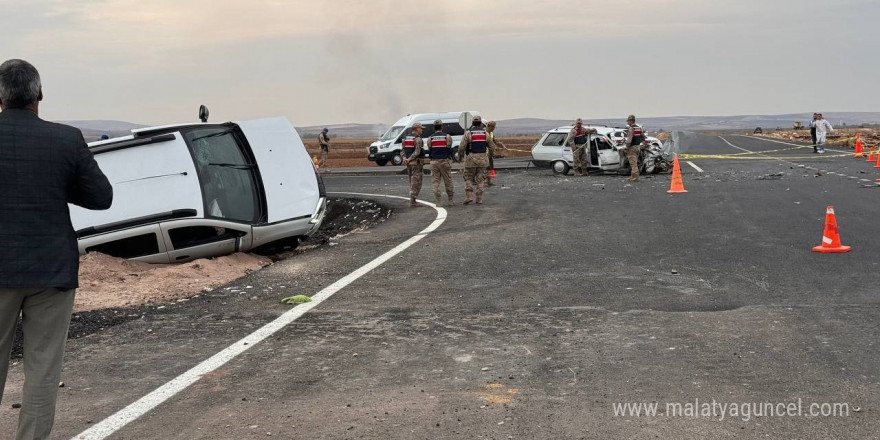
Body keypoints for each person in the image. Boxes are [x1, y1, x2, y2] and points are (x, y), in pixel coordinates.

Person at [0, 59, 113, 440]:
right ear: (39, 95)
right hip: (51, 271)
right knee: (43, 370)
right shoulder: (66, 139)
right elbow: (101, 198)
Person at [459, 115, 490, 204]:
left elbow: (461, 147)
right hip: (483, 160)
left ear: (472, 123)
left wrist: (460, 157)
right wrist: (489, 155)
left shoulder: (468, 133)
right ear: (480, 123)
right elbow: (491, 147)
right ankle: (479, 198)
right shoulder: (486, 134)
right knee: (481, 179)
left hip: (470, 159)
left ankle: (469, 196)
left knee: (468, 178)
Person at [428, 119, 454, 206]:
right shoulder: (447, 137)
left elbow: (429, 148)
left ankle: (438, 202)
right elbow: (449, 147)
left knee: (435, 182)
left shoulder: (430, 138)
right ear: (442, 126)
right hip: (444, 161)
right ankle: (450, 201)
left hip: (434, 162)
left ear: (434, 127)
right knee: (448, 181)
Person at [402, 122, 424, 207]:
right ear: (417, 129)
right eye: (421, 128)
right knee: (416, 182)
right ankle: (413, 201)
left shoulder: (406, 138)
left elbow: (403, 150)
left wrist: (404, 158)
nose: (422, 130)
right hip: (416, 163)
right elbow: (417, 152)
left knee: (411, 181)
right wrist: (409, 159)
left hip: (409, 163)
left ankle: (413, 199)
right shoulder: (417, 139)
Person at [624, 114, 645, 182]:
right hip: (637, 147)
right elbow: (643, 137)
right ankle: (632, 176)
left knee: (633, 163)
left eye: (628, 121)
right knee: (635, 162)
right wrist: (641, 142)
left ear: (631, 121)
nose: (628, 123)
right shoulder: (638, 128)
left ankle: (634, 177)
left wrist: (626, 148)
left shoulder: (631, 128)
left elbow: (629, 139)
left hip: (632, 147)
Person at [485, 121, 506, 186]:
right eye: (493, 127)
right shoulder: (483, 133)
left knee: (490, 168)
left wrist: (502, 146)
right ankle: (484, 182)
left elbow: (495, 141)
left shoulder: (491, 134)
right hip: (484, 154)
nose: (493, 129)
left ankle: (488, 181)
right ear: (489, 126)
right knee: (484, 168)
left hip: (490, 154)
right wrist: (494, 147)